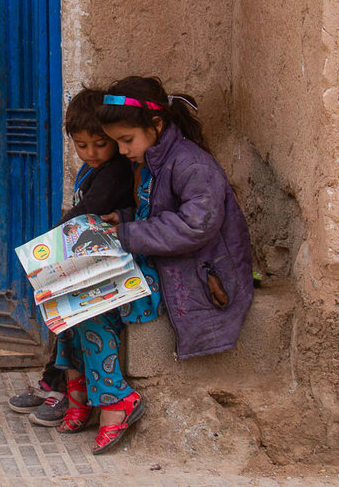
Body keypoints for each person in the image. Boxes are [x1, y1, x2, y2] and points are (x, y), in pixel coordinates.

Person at [54, 75, 253, 454]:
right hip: (166, 267)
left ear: (156, 125)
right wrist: (121, 218)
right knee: (66, 288)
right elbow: (154, 213)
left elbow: (196, 225)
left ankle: (115, 400)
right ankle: (76, 388)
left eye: (127, 140)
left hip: (195, 282)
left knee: (90, 301)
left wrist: (127, 234)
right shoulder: (153, 160)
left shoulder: (193, 165)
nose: (122, 150)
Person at [7, 87, 135, 426]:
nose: (91, 152)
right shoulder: (94, 169)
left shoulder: (116, 170)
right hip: (88, 259)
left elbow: (86, 211)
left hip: (105, 266)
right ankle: (56, 382)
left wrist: (52, 237)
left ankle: (65, 391)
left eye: (100, 143)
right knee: (60, 312)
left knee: (70, 313)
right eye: (82, 146)